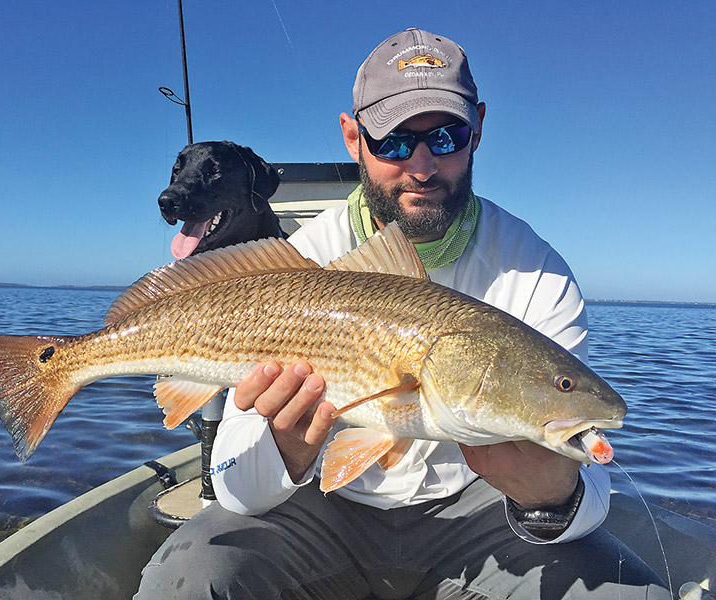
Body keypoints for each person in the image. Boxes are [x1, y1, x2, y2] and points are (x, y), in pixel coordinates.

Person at [135, 28, 668, 599]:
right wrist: (285, 450)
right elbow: (238, 493)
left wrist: (552, 500)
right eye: (392, 142)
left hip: (478, 519)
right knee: (188, 579)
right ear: (352, 136)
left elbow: (590, 491)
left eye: (445, 136)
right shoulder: (303, 260)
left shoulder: (535, 272)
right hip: (317, 506)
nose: (420, 166)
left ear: (479, 130)